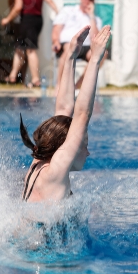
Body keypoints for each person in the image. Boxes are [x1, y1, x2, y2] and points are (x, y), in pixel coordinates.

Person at [20, 25, 111, 203]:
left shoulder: (38, 163)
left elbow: (63, 110)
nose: (88, 152)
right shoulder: (55, 172)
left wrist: (71, 56)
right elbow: (82, 114)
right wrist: (94, 60)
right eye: (83, 144)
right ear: (65, 146)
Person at [1, 0, 58, 87]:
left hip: (27, 20)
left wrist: (7, 19)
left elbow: (17, 7)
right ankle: (12, 76)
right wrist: (58, 13)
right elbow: (50, 1)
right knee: (19, 48)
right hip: (37, 20)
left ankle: (35, 79)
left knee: (30, 49)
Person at [52, 0, 103, 90]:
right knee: (69, 48)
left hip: (86, 47)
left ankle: (77, 86)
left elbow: (96, 38)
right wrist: (55, 41)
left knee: (102, 54)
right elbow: (56, 29)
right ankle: (60, 86)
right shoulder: (68, 11)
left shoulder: (96, 19)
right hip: (68, 44)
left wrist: (91, 16)